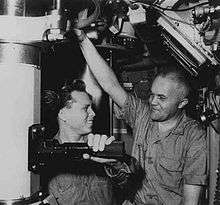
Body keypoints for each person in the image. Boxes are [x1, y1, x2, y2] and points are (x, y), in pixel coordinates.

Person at [75, 30, 208, 205]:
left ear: (182, 103)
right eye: (152, 94)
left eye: (161, 97)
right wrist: (83, 40)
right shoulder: (142, 114)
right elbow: (109, 83)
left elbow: (191, 201)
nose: (152, 101)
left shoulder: (194, 136)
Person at [41, 79, 136, 205]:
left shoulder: (102, 146)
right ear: (63, 114)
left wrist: (116, 164)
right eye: (86, 108)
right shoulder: (45, 158)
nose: (93, 113)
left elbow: (130, 187)